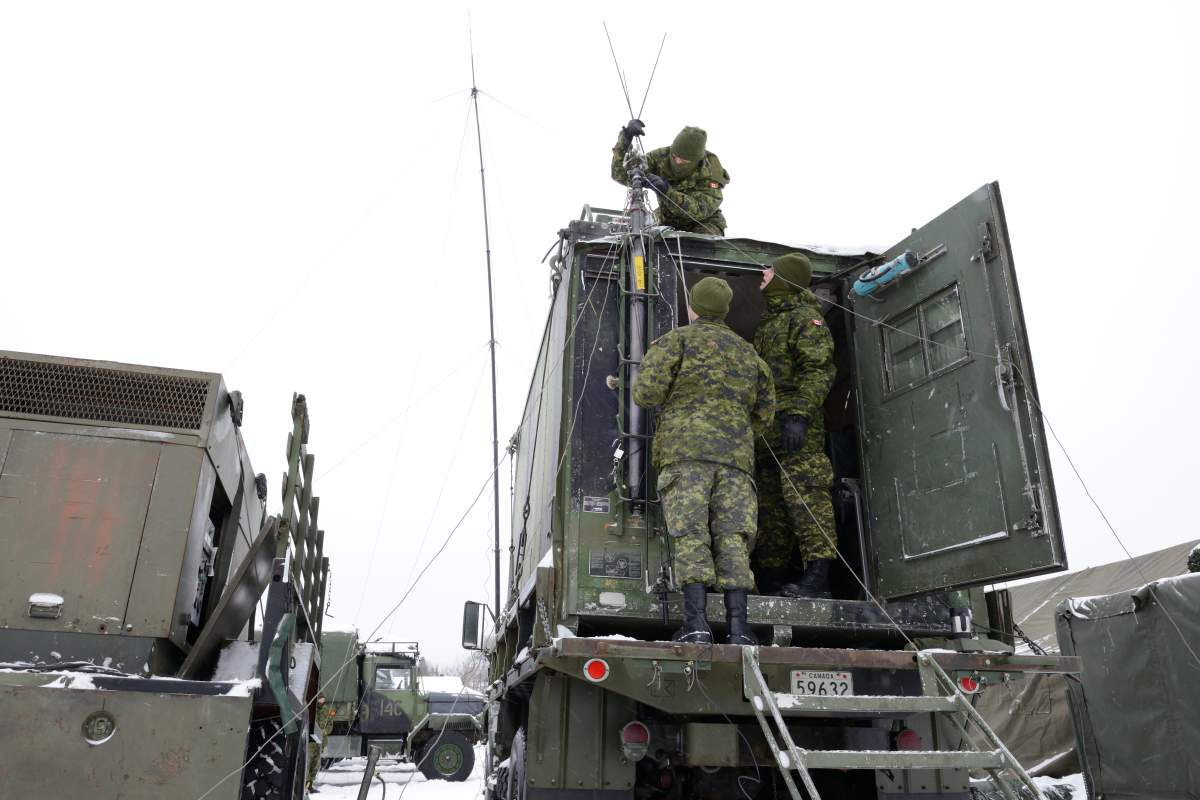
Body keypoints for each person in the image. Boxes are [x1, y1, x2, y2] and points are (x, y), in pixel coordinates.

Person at [633, 276, 774, 644]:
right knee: (733, 538)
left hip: (685, 456)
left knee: (691, 534)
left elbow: (645, 394)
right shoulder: (749, 354)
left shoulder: (676, 341)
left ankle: (696, 624)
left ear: (693, 307)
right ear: (725, 310)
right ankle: (739, 629)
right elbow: (765, 415)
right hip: (736, 462)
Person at [752, 253, 840, 599]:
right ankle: (773, 581)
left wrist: (800, 415)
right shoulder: (768, 323)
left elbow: (819, 370)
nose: (763, 273)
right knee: (771, 509)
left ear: (785, 279)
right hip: (767, 432)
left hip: (795, 429)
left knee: (806, 500)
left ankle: (818, 580)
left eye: (770, 270)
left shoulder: (806, 319)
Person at [611, 120, 730, 235]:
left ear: (695, 161)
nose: (677, 162)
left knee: (698, 248)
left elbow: (699, 210)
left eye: (683, 161)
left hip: (703, 223)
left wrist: (667, 191)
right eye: (674, 157)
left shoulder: (711, 173)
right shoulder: (661, 157)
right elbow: (621, 174)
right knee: (644, 244)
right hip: (666, 219)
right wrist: (626, 138)